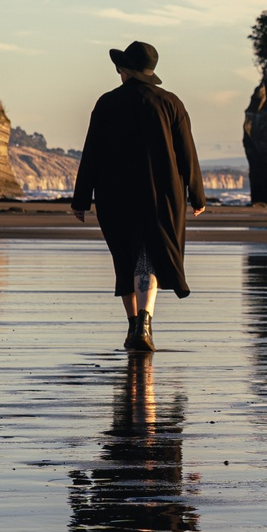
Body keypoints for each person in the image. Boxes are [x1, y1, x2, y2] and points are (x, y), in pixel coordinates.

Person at [71, 41, 206, 351]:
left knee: (126, 258)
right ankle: (144, 324)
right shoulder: (170, 103)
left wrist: (81, 199)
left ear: (124, 70)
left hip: (115, 194)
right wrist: (197, 194)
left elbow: (91, 153)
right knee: (148, 258)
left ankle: (135, 326)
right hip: (162, 195)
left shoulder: (106, 103)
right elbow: (187, 153)